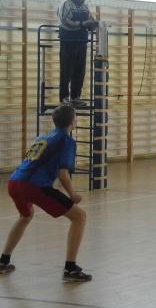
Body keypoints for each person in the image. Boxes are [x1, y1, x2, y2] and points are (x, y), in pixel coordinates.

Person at [0, 105, 91, 282]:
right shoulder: (66, 140)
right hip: (33, 185)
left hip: (14, 181)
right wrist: (72, 194)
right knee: (79, 217)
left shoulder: (44, 137)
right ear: (73, 122)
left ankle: (3, 261)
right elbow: (63, 174)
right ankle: (70, 269)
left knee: (25, 216)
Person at [57, 0, 98, 107]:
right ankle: (64, 97)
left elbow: (90, 21)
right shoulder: (67, 5)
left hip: (81, 42)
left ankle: (75, 97)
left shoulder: (85, 7)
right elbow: (65, 21)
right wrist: (82, 24)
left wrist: (94, 24)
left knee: (79, 71)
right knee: (66, 70)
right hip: (68, 41)